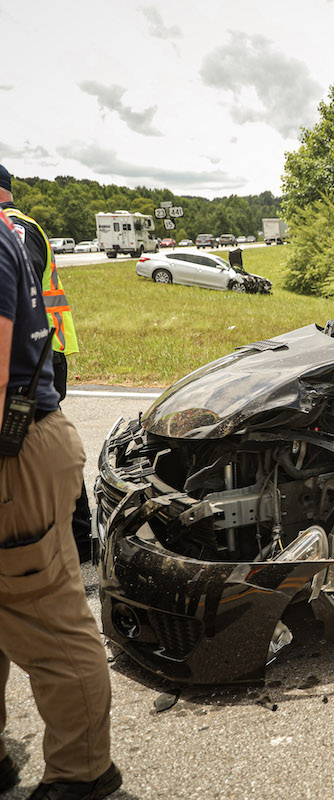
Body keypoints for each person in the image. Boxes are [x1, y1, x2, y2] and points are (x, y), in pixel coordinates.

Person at [0, 211, 120, 799]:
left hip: (14, 448)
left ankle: (82, 772)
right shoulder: (15, 232)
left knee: (47, 615)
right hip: (27, 435)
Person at [0, 164, 91, 562]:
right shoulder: (21, 225)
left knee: (35, 441)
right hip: (43, 350)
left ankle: (75, 537)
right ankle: (76, 537)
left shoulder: (14, 228)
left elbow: (20, 288)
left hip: (35, 354)